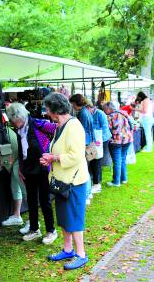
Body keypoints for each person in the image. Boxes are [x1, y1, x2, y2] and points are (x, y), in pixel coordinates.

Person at [40, 92, 89, 270]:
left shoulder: (74, 126)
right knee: (63, 218)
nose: (45, 112)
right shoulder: (60, 125)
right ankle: (68, 250)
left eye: (47, 109)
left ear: (55, 109)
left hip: (74, 182)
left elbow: (76, 156)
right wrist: (50, 158)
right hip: (61, 182)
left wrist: (54, 157)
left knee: (74, 219)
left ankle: (81, 254)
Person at [6, 102, 57, 244]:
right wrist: (21, 168)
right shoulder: (18, 130)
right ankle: (34, 229)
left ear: (18, 117)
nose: (11, 122)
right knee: (32, 200)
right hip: (28, 169)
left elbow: (58, 130)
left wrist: (53, 154)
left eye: (12, 120)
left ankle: (51, 230)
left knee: (45, 200)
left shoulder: (38, 124)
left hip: (42, 168)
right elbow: (22, 151)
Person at [69, 94, 95, 205]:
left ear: (75, 103)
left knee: (84, 171)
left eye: (72, 104)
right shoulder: (86, 112)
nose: (71, 106)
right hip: (89, 143)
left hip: (85, 144)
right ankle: (88, 193)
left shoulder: (83, 114)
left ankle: (87, 194)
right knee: (86, 169)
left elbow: (81, 131)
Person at [103, 102, 133, 187]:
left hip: (116, 141)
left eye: (104, 109)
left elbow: (107, 130)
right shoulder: (123, 113)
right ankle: (124, 179)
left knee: (117, 161)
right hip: (127, 139)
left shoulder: (109, 117)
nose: (104, 111)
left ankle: (116, 181)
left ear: (109, 109)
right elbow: (131, 125)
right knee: (122, 159)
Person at [1, 124, 26, 226]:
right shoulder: (11, 131)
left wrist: (10, 165)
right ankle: (17, 216)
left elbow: (15, 150)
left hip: (20, 162)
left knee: (25, 191)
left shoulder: (11, 132)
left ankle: (34, 223)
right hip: (16, 162)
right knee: (16, 188)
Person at [86, 100, 111, 193]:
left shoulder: (100, 114)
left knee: (97, 162)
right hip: (93, 141)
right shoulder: (89, 114)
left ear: (90, 107)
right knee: (93, 162)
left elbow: (105, 129)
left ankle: (97, 184)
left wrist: (98, 142)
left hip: (100, 141)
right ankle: (95, 183)